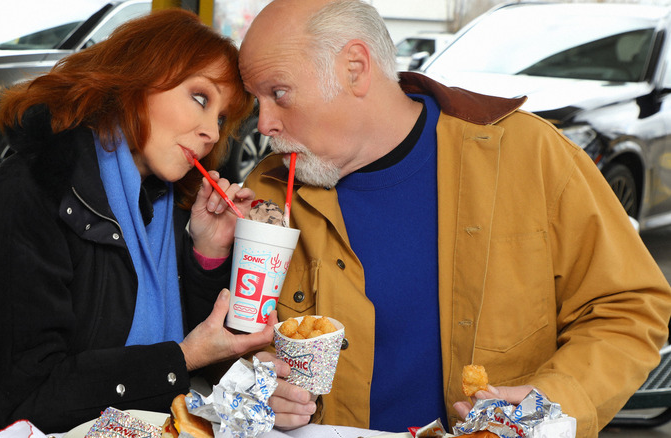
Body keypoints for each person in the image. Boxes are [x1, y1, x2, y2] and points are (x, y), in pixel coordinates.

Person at [237, 0, 671, 436]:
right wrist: (261, 384)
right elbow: (239, 342)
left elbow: (628, 308)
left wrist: (557, 401)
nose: (264, 124)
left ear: (355, 67)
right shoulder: (269, 189)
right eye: (257, 100)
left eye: (278, 93)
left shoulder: (533, 156)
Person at [0, 9, 274, 437]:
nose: (211, 131)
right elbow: (30, 397)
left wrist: (206, 253)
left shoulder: (164, 203)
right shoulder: (16, 200)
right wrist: (182, 358)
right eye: (200, 98)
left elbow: (192, 344)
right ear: (136, 79)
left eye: (222, 118)